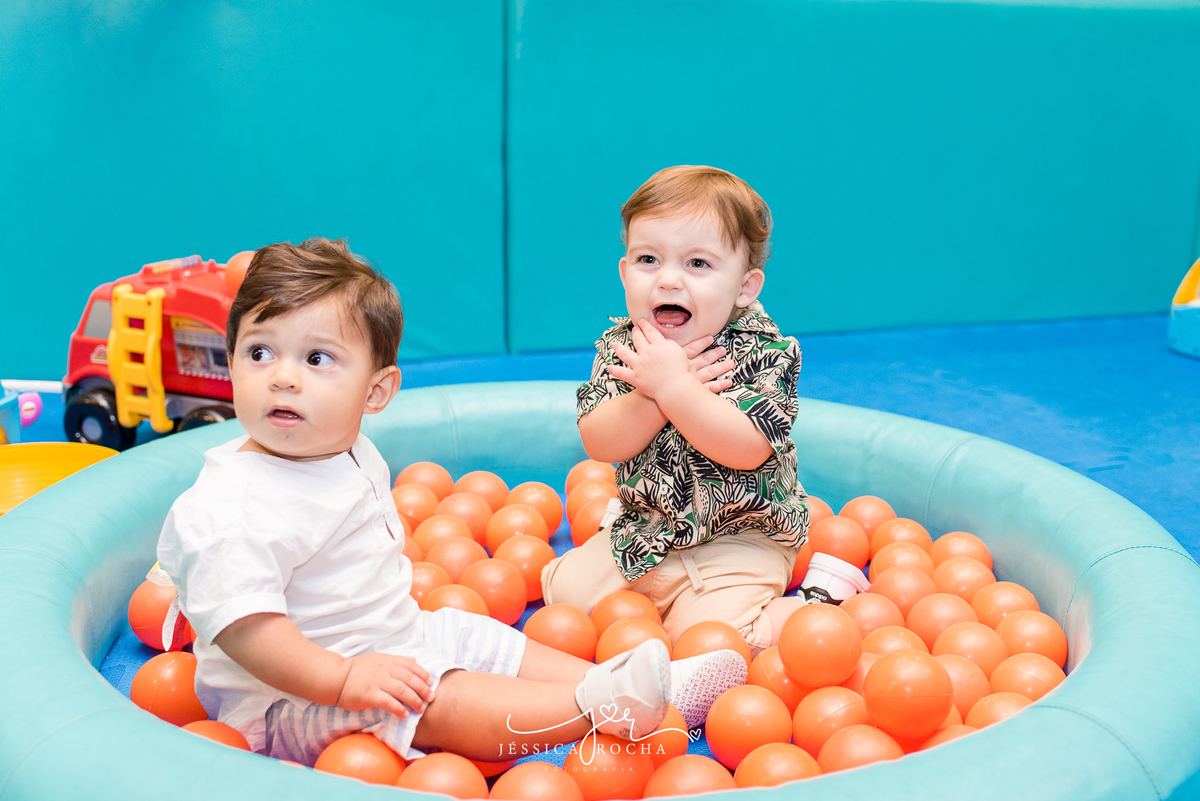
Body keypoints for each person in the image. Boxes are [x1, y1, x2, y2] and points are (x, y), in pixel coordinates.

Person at [156, 237, 744, 766]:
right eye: (259, 353)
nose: (282, 377)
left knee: (474, 634)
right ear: (231, 363)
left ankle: (632, 681)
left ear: (375, 391)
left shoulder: (342, 447)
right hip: (288, 700)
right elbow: (250, 633)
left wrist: (374, 655)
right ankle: (596, 706)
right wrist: (343, 679)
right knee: (439, 700)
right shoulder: (233, 505)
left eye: (316, 359)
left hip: (387, 638)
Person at [542, 166, 812, 672]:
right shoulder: (624, 347)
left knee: (705, 644)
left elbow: (747, 447)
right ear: (625, 273)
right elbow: (600, 442)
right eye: (648, 259)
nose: (668, 279)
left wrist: (676, 389)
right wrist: (650, 395)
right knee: (564, 597)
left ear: (744, 287)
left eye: (697, 263)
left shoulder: (764, 351)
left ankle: (810, 606)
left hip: (741, 538)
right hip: (649, 528)